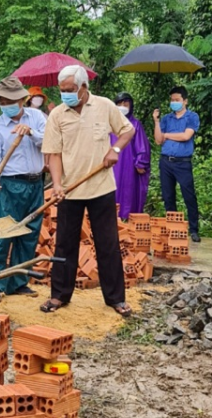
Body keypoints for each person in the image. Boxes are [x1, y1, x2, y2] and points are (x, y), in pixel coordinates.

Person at [41, 65, 135, 317]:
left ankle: (116, 298)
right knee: (64, 245)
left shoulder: (104, 106)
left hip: (101, 187)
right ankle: (59, 295)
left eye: (70, 90)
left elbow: (128, 130)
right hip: (70, 190)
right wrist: (58, 185)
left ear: (83, 88)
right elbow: (54, 154)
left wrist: (114, 151)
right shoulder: (57, 115)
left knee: (108, 244)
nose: (65, 95)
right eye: (62, 91)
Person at [0, 77, 46, 303]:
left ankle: (18, 282)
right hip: (9, 185)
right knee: (3, 233)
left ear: (22, 100)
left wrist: (31, 133)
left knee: (29, 234)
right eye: (1, 100)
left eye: (9, 100)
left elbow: (49, 142)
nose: (5, 104)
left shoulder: (37, 118)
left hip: (36, 183)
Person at [153, 86, 201, 242]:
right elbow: (159, 140)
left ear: (185, 101)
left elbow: (186, 136)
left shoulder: (192, 117)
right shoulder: (166, 118)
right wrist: (157, 122)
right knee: (168, 196)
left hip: (183, 163)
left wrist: (167, 134)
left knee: (189, 196)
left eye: (177, 100)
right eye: (172, 100)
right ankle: (173, 228)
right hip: (166, 161)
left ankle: (194, 230)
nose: (174, 103)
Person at [112, 92, 151, 219]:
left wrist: (141, 162)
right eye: (119, 103)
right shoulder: (110, 123)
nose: (122, 106)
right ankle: (112, 219)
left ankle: (128, 219)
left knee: (128, 192)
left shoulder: (135, 124)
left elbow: (142, 146)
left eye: (125, 103)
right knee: (112, 190)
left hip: (129, 165)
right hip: (112, 164)